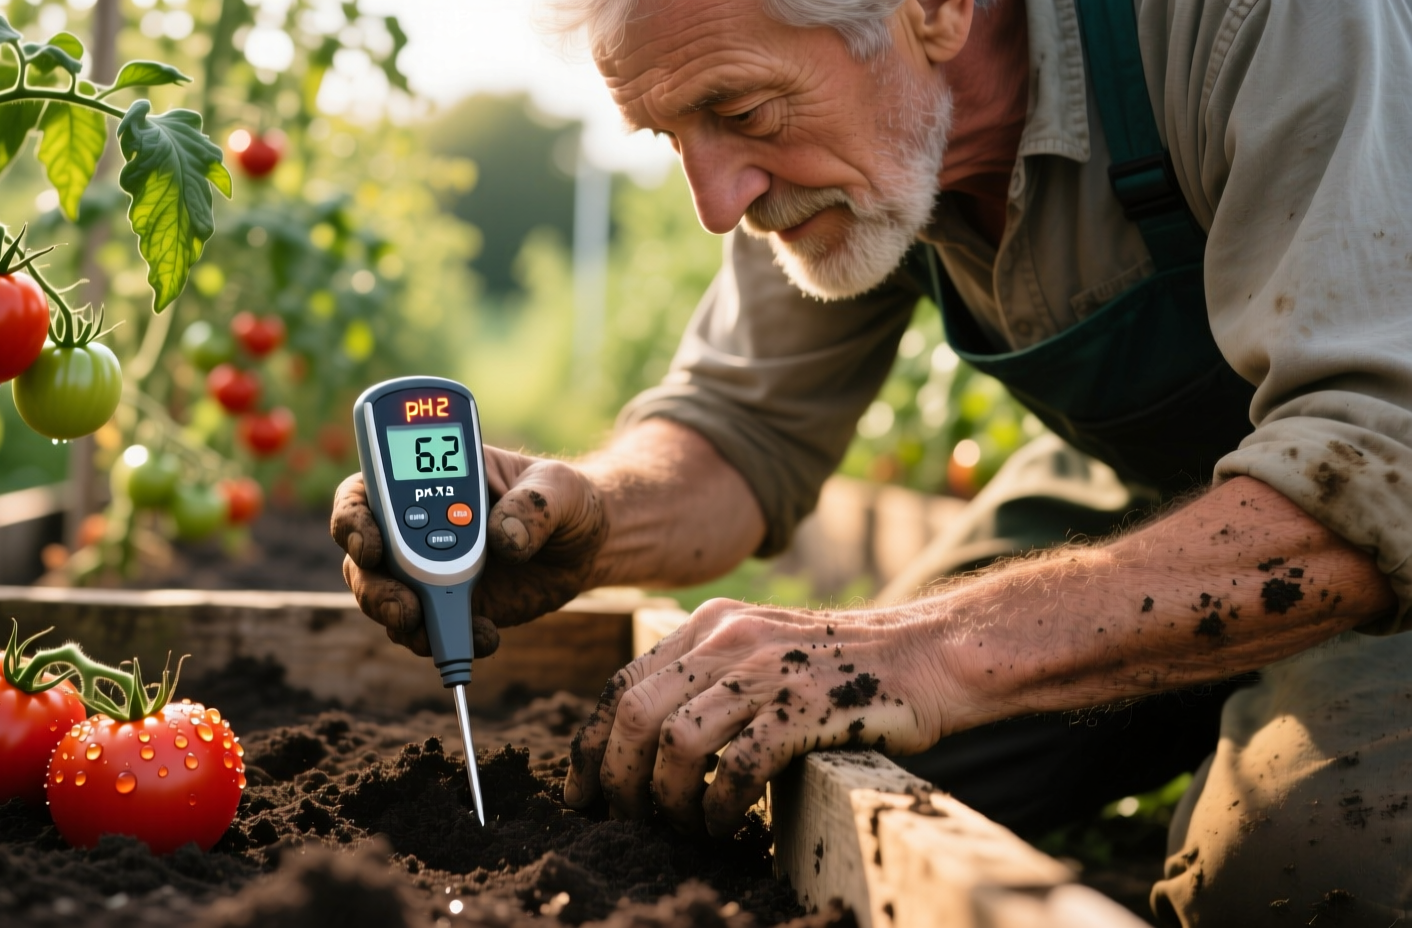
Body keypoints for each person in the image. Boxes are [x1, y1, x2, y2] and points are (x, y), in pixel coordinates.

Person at [331, 0, 1412, 923]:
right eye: (670, 137)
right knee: (798, 775)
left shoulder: (1258, 24)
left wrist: (928, 647)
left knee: (1302, 870)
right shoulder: (854, 140)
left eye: (738, 113)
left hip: (1381, 516)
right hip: (1167, 489)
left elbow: (1377, 456)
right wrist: (585, 515)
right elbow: (738, 427)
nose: (717, 201)